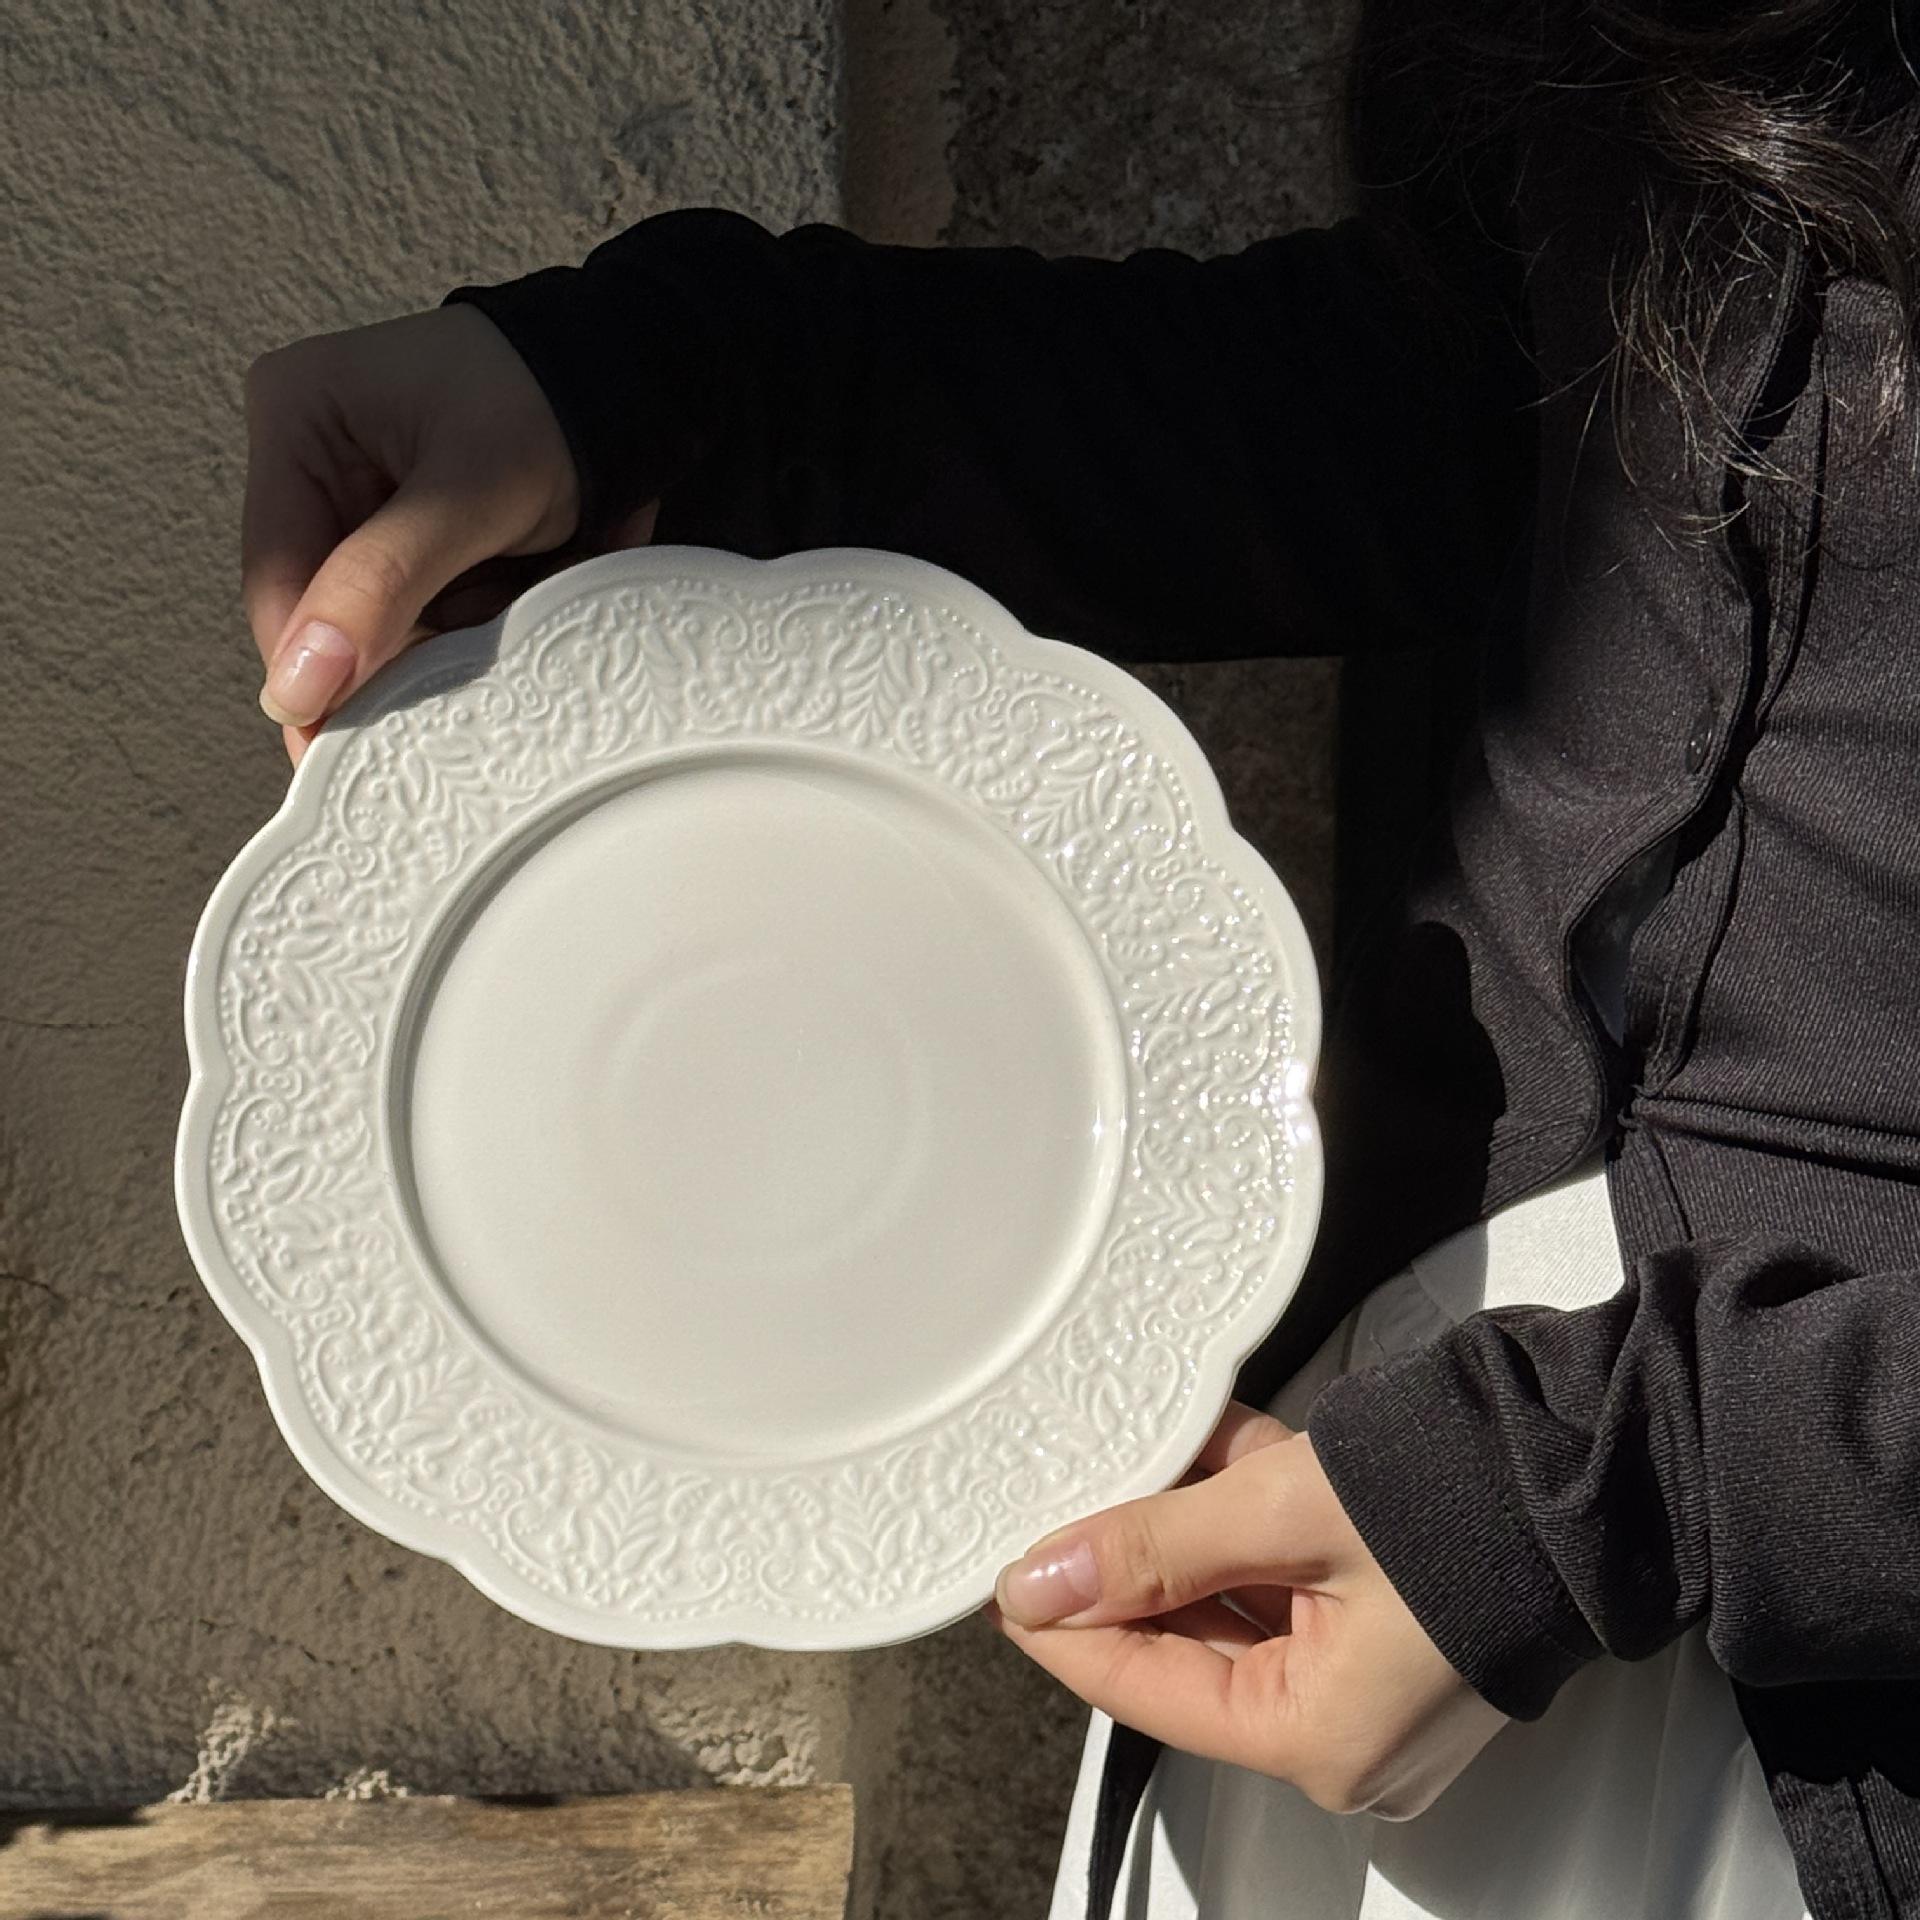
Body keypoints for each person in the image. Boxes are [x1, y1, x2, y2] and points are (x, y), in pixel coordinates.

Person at [238, 3, 1920, 1915]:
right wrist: (661, 393)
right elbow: (1530, 418)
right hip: (1406, 1561)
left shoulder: (1606, 1491)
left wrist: (1634, 1493)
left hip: (1773, 1674)